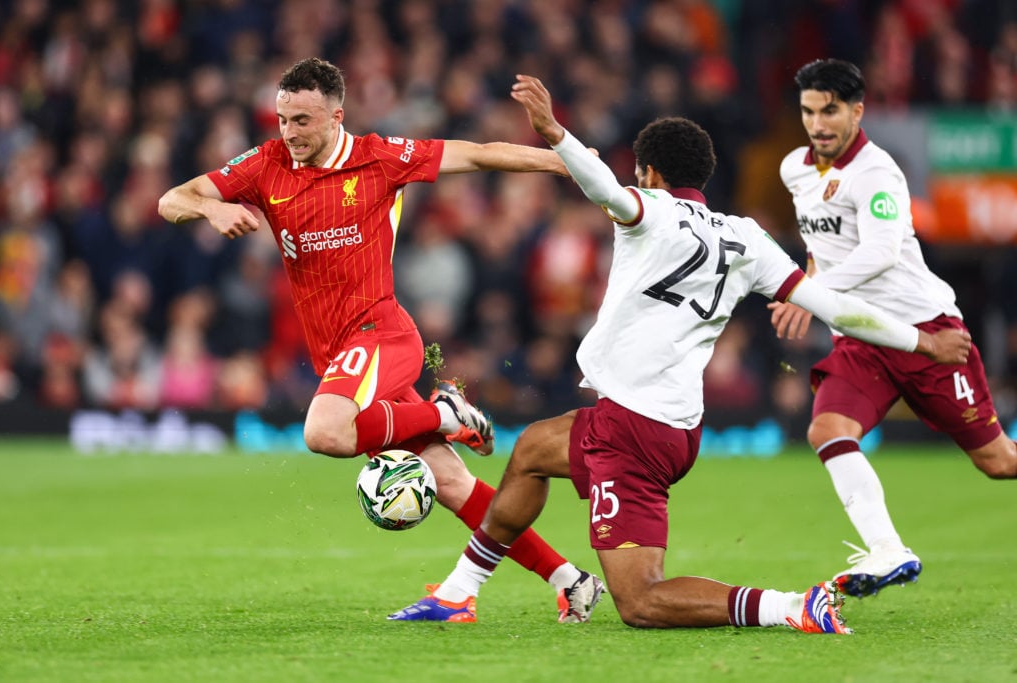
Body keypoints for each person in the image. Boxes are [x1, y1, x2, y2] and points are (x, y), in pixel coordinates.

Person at [388, 74, 972, 631]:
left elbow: (603, 188)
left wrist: (553, 132)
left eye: (640, 174)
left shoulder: (649, 211)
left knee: (641, 601)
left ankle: (792, 606)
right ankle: (460, 593)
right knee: (534, 450)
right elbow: (837, 309)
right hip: (665, 419)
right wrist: (925, 340)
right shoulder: (746, 236)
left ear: (651, 172)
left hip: (636, 429)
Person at [157, 57, 601, 622]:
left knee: (324, 432)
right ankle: (569, 580)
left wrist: (569, 162)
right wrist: (211, 207)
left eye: (302, 120)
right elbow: (171, 199)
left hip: (381, 334)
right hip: (339, 354)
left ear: (336, 116)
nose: (289, 133)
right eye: (283, 119)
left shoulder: (379, 157)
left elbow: (481, 153)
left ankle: (444, 413)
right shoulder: (265, 164)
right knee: (451, 483)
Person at [769, 58, 1017, 598]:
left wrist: (808, 295)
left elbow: (880, 253)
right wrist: (813, 280)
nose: (818, 124)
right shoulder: (795, 169)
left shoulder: (877, 173)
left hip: (930, 335)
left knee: (999, 462)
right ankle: (888, 551)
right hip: (861, 338)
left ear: (857, 111)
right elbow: (821, 248)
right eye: (809, 111)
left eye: (830, 110)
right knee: (827, 430)